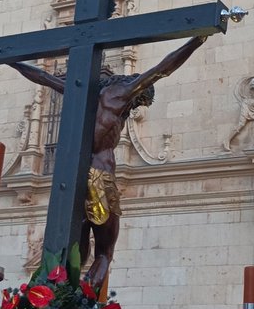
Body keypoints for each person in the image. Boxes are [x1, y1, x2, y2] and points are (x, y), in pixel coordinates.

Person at [13, 34, 208, 291]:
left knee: (75, 247)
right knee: (105, 251)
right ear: (136, 93)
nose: (134, 109)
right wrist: (198, 40)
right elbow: (163, 68)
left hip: (70, 179)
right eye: (140, 102)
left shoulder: (82, 90)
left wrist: (13, 61)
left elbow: (43, 77)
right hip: (99, 176)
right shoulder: (123, 94)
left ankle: (59, 299)